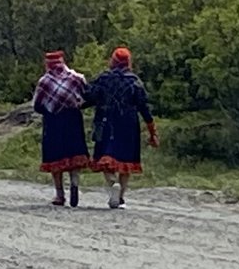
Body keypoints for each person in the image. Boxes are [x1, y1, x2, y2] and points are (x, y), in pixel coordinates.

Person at [87, 46, 158, 209]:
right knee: (126, 161)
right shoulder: (135, 82)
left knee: (104, 157)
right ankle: (120, 198)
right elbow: (144, 108)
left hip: (104, 121)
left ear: (113, 61)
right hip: (128, 123)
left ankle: (112, 182)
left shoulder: (103, 79)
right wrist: (152, 131)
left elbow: (90, 97)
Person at [33, 50, 89, 208]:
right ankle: (74, 182)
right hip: (73, 119)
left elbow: (37, 105)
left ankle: (60, 194)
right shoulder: (77, 78)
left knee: (55, 156)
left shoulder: (45, 81)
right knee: (74, 152)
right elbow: (88, 96)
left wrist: (48, 110)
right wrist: (77, 105)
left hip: (53, 121)